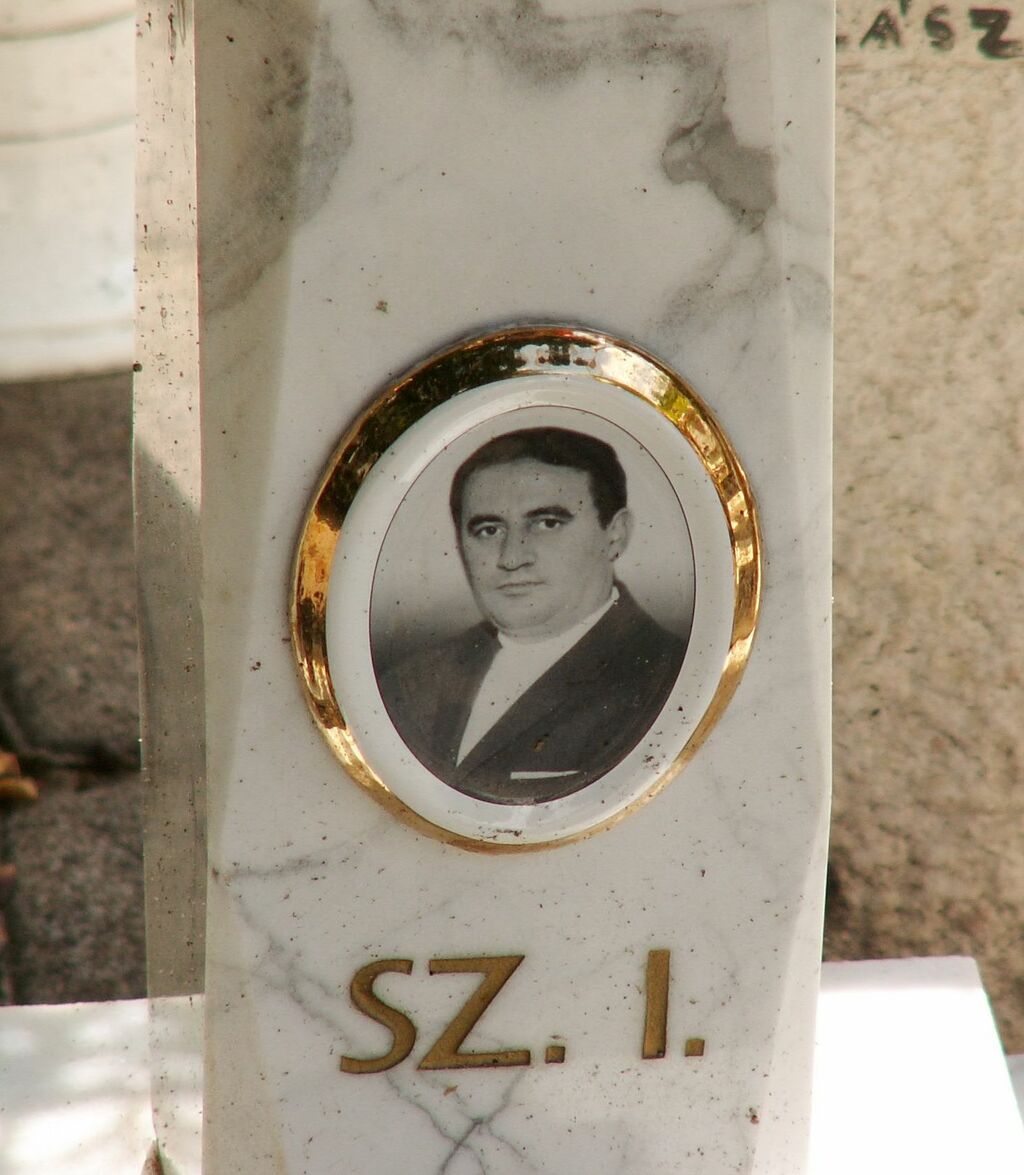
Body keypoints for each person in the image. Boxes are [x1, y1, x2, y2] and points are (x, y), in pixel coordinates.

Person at [375, 428, 687, 804]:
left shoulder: (669, 681)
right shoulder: (410, 682)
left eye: (547, 523)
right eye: (488, 530)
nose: (511, 557)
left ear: (615, 535)